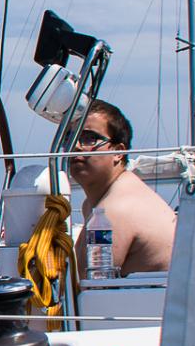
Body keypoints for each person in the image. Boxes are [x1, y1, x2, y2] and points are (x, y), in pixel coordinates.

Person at [69, 99, 176, 276]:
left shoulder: (114, 211)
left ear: (118, 152)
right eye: (69, 138)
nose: (75, 146)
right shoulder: (98, 203)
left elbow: (91, 285)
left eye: (89, 138)